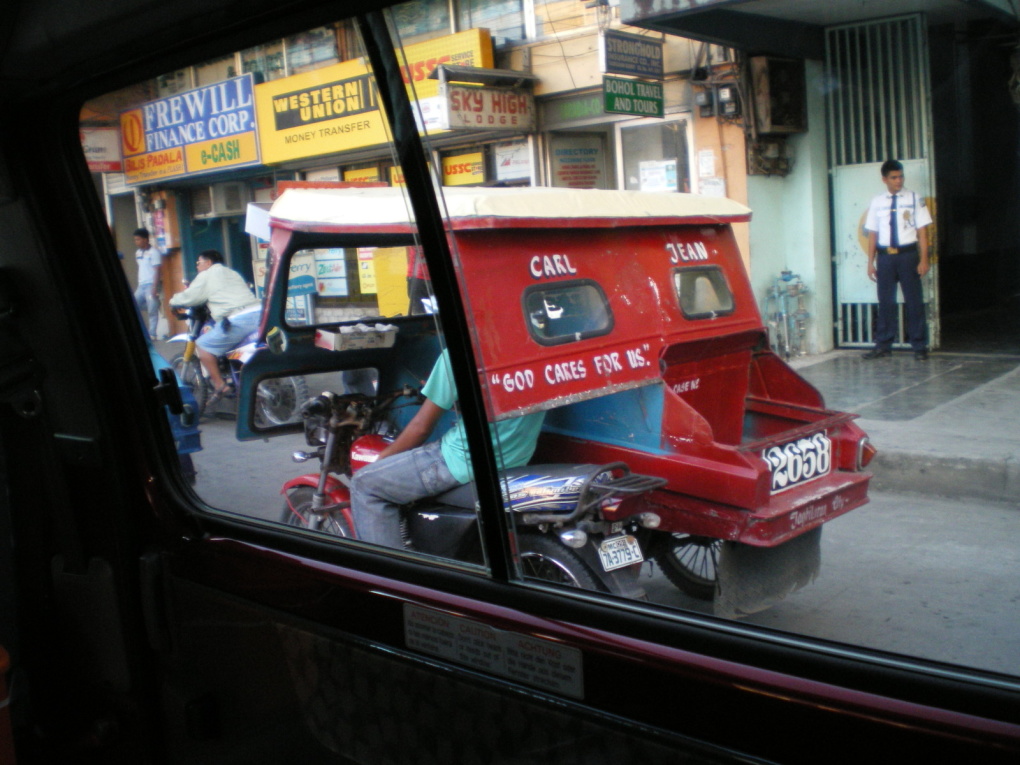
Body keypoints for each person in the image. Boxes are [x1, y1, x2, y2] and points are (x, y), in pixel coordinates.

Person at [351, 348, 545, 549]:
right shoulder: (533, 349)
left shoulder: (459, 353)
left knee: (364, 484)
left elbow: (421, 428)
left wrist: (381, 461)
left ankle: (389, 576)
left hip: (460, 460)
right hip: (514, 457)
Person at [168, 249, 262, 404]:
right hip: (259, 315)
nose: (197, 267)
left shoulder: (206, 275)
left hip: (238, 319)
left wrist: (173, 302)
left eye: (199, 263)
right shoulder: (232, 273)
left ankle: (220, 385)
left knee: (203, 345)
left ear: (209, 263)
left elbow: (191, 296)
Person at [862, 160, 932, 361]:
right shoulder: (878, 201)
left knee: (914, 301)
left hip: (908, 255)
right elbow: (873, 233)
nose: (898, 180)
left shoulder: (914, 198)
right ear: (884, 179)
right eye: (894, 177)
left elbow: (922, 231)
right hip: (885, 257)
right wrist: (870, 263)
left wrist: (923, 259)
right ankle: (883, 345)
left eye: (901, 176)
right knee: (885, 302)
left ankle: (919, 346)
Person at [133, 227, 165, 340]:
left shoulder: (154, 253)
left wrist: (155, 287)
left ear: (146, 239)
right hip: (141, 285)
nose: (136, 242)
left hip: (151, 284)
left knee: (152, 311)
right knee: (135, 304)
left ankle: (152, 334)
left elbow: (157, 270)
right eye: (135, 239)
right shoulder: (138, 253)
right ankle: (155, 306)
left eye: (138, 239)